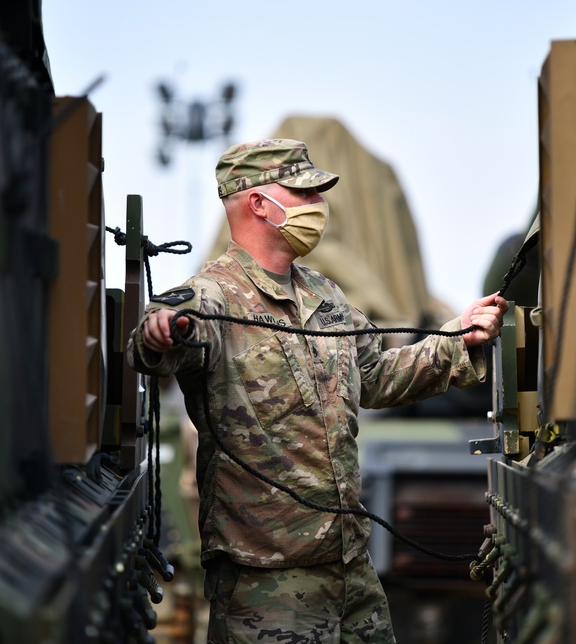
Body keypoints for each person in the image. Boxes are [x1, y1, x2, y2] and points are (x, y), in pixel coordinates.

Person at [127, 138, 508, 643]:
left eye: (319, 194)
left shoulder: (324, 294)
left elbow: (374, 377)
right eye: (304, 194)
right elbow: (157, 341)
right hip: (266, 579)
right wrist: (158, 335)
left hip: (350, 569)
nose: (319, 206)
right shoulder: (210, 297)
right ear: (258, 204)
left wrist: (460, 338)